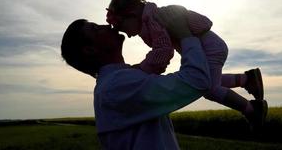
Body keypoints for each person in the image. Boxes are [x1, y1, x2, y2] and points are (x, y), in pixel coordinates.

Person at [61, 15, 267, 149]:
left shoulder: (121, 80)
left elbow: (187, 82)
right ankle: (248, 86)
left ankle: (247, 82)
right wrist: (185, 34)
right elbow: (196, 81)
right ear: (90, 50)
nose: (106, 26)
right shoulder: (117, 86)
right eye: (96, 29)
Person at [106, 0, 267, 123]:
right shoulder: (151, 20)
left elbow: (163, 51)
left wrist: (143, 69)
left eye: (120, 26)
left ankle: (252, 110)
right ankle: (247, 79)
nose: (125, 34)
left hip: (209, 48)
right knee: (210, 80)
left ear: (131, 14)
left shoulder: (153, 21)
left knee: (209, 88)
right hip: (209, 45)